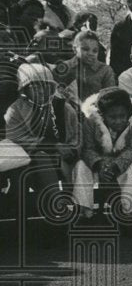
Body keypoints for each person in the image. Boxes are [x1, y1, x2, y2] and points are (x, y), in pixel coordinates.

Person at [3, 64, 80, 222]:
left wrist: (70, 148)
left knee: (47, 158)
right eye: (35, 87)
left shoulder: (63, 107)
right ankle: (55, 203)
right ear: (25, 90)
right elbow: (16, 137)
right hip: (30, 157)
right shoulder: (16, 109)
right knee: (41, 157)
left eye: (46, 86)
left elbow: (76, 134)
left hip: (63, 157)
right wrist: (52, 146)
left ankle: (56, 206)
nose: (41, 91)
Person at [72, 87, 132, 224]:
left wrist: (116, 165)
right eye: (113, 117)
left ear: (129, 114)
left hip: (123, 159)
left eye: (122, 117)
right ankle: (84, 211)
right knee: (81, 167)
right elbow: (88, 148)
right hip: (98, 160)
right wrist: (100, 164)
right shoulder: (91, 120)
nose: (118, 121)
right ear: (102, 115)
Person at [60, 30, 115, 104]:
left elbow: (110, 97)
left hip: (96, 110)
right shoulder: (65, 67)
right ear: (74, 49)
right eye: (85, 49)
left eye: (95, 51)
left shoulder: (105, 70)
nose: (90, 54)